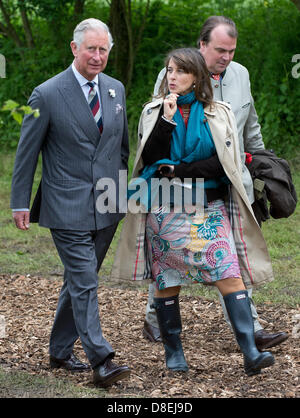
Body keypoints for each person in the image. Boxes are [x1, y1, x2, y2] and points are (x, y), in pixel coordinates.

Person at [111, 47, 275, 376]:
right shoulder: (154, 111)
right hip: (165, 208)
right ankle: (174, 354)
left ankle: (251, 353)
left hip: (209, 208)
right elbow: (151, 159)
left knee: (229, 273)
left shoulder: (219, 112)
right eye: (169, 70)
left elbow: (221, 163)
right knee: (167, 280)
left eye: (179, 71)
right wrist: (168, 120)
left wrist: (179, 169)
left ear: (196, 76)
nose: (172, 77)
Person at [144, 16, 288, 350]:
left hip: (229, 180)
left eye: (231, 51)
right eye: (220, 50)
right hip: (180, 186)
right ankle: (154, 317)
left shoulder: (240, 75)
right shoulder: (173, 75)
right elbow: (156, 126)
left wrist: (260, 160)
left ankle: (250, 330)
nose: (226, 56)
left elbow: (249, 125)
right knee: (169, 255)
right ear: (202, 45)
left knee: (231, 253)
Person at [10, 18, 130, 388]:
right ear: (74, 48)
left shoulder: (115, 90)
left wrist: (123, 194)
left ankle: (60, 350)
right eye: (91, 48)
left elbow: (121, 150)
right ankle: (102, 358)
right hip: (66, 205)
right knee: (85, 280)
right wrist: (19, 202)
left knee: (79, 281)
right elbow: (26, 154)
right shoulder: (46, 94)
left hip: (109, 205)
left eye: (103, 49)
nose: (97, 56)